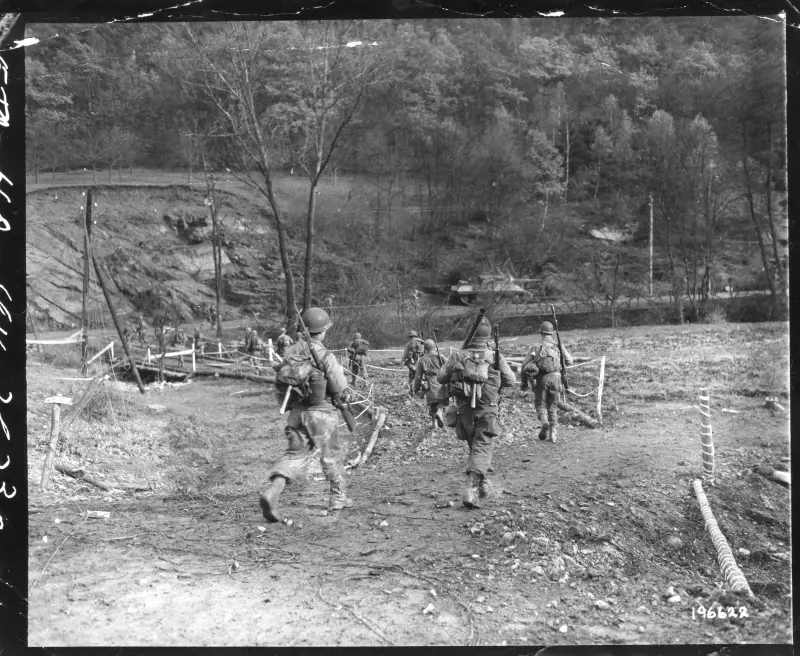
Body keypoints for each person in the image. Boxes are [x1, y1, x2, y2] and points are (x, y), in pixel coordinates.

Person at [259, 307, 352, 522]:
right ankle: (338, 498)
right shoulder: (325, 355)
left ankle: (273, 490)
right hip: (321, 414)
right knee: (331, 455)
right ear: (323, 331)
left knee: (294, 455)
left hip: (296, 412)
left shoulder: (290, 352)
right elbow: (339, 385)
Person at [437, 316, 515, 508]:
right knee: (481, 448)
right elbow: (511, 380)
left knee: (476, 450)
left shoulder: (458, 355)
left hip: (464, 413)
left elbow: (440, 377)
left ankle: (483, 485)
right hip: (487, 412)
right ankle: (471, 490)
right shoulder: (494, 356)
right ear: (488, 335)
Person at [520, 321, 574, 443]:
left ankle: (544, 422)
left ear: (541, 332)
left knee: (541, 404)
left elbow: (525, 365)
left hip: (542, 380)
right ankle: (553, 433)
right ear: (552, 333)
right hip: (556, 380)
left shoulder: (536, 347)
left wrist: (524, 383)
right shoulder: (557, 346)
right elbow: (570, 360)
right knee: (553, 406)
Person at [413, 339, 446, 429]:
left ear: (425, 348)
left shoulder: (422, 360)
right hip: (441, 382)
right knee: (442, 401)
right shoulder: (441, 356)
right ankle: (440, 412)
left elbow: (418, 376)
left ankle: (434, 424)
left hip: (430, 383)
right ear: (434, 347)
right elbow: (448, 369)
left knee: (432, 404)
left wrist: (416, 388)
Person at [401, 330, 425, 396]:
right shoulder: (423, 342)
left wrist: (402, 364)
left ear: (410, 336)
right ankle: (422, 390)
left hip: (412, 365)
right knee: (422, 377)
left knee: (411, 378)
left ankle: (412, 392)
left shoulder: (409, 344)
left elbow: (404, 355)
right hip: (422, 363)